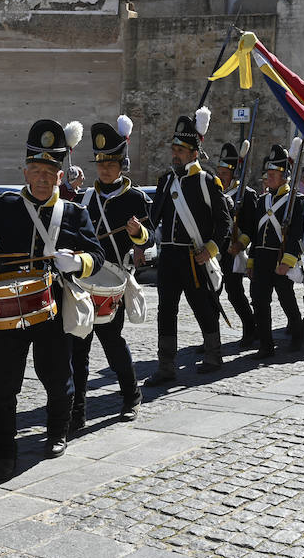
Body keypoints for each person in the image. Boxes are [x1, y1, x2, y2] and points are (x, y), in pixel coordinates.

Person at [0, 119, 104, 476]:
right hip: (8, 308)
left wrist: (78, 261)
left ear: (59, 175)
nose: (41, 177)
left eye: (49, 171)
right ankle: (4, 451)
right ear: (25, 172)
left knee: (57, 377)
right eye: (35, 169)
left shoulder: (73, 213)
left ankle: (57, 432)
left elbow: (97, 256)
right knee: (4, 382)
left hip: (52, 306)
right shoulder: (7, 205)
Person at [71, 116, 151, 425]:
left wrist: (138, 234)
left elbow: (151, 237)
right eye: (101, 164)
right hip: (84, 281)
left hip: (113, 283)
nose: (104, 169)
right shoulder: (86, 198)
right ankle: (77, 411)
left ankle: (131, 395)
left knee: (113, 344)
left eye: (111, 164)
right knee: (78, 349)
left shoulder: (135, 198)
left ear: (122, 165)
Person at [146, 106, 231, 383]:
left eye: (181, 150)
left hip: (194, 256)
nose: (176, 154)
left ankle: (213, 355)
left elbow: (224, 223)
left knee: (203, 306)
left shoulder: (207, 181)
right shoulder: (166, 181)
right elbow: (153, 217)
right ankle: (166, 365)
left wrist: (211, 250)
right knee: (166, 310)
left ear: (194, 152)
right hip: (169, 256)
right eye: (175, 149)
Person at [245, 142, 304, 356]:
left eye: (274, 173)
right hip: (262, 258)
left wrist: (287, 261)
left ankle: (298, 336)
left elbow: (297, 233)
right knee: (260, 302)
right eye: (268, 173)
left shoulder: (295, 201)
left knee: (287, 300)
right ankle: (265, 344)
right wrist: (251, 260)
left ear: (284, 176)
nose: (269, 177)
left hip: (280, 259)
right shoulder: (263, 201)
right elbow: (255, 233)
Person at [217, 141, 258, 345]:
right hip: (214, 251)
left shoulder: (247, 195)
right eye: (219, 171)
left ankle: (250, 328)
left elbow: (251, 228)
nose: (220, 176)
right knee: (210, 295)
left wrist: (240, 244)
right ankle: (212, 337)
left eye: (224, 172)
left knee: (234, 293)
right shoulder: (214, 192)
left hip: (233, 252)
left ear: (233, 174)